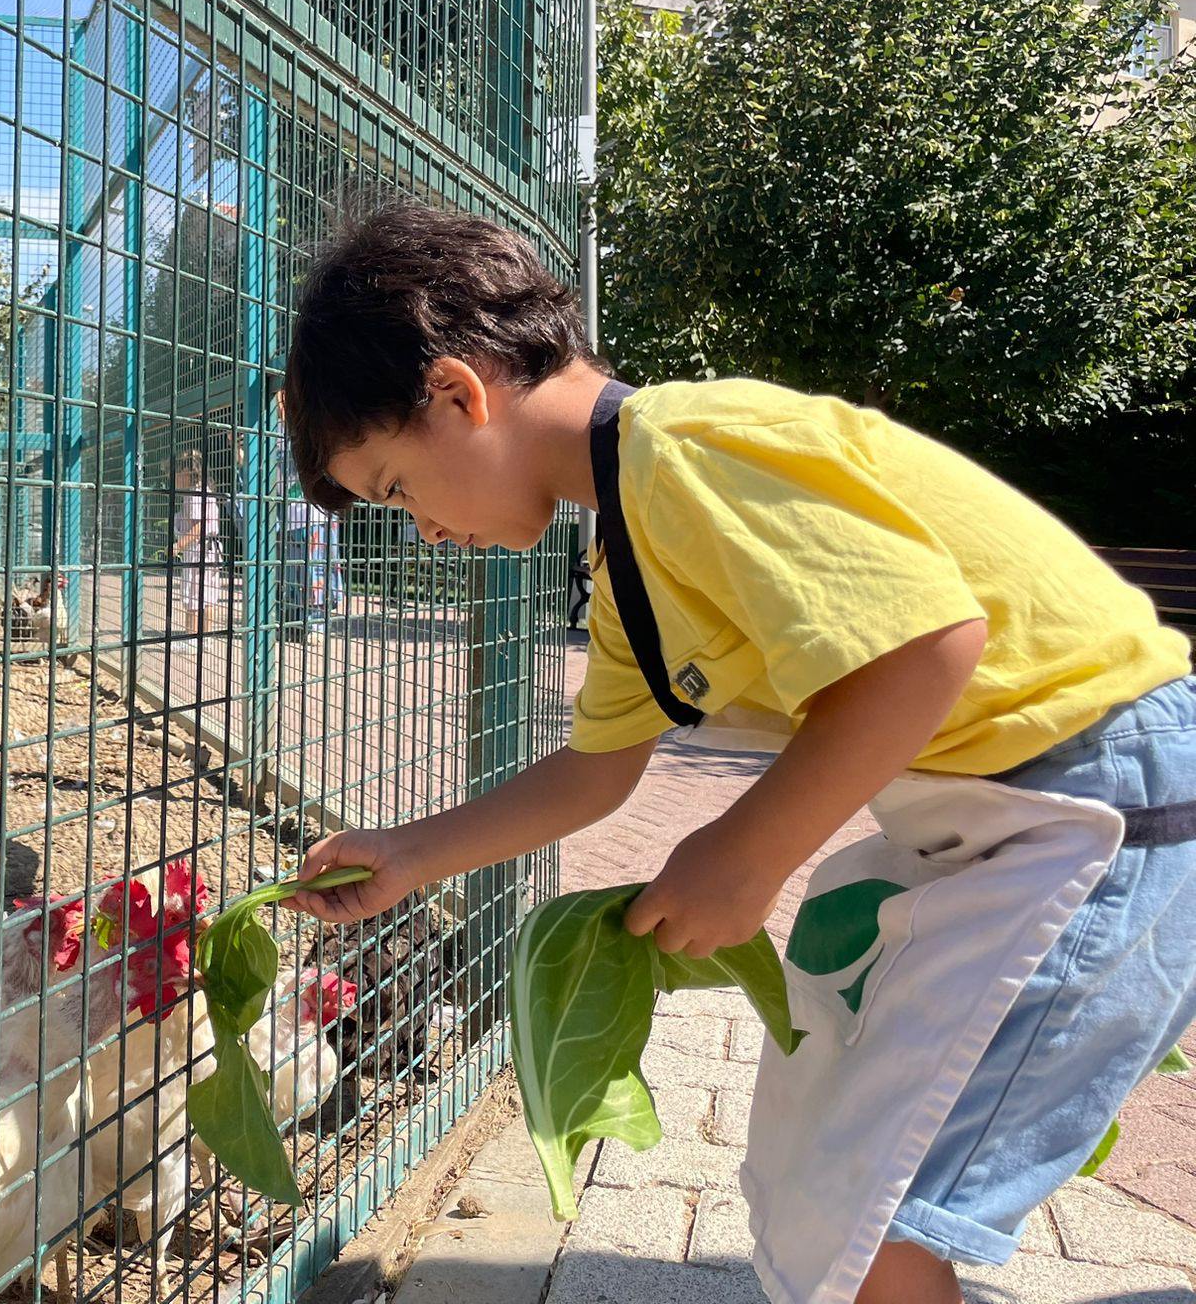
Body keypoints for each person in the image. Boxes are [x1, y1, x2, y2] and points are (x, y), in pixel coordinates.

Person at [277, 201, 1195, 1304]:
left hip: (1109, 796)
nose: (423, 528)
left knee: (877, 1214)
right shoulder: (629, 553)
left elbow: (926, 649)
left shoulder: (684, 448)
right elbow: (597, 770)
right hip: (1020, 808)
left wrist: (744, 854)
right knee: (836, 1182)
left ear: (456, 393)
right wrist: (407, 854)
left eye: (395, 486)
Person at [273, 386, 347, 637]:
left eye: (284, 401)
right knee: (293, 572)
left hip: (316, 515)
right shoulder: (273, 431)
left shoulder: (310, 427)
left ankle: (317, 624)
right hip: (287, 517)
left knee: (317, 570)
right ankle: (296, 621)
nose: (281, 406)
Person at [170, 448, 224, 653]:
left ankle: (192, 638)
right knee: (207, 594)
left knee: (193, 592)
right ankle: (205, 637)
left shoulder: (194, 494)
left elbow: (199, 526)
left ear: (187, 472)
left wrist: (178, 545)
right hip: (210, 549)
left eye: (176, 473)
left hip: (198, 550)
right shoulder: (205, 490)